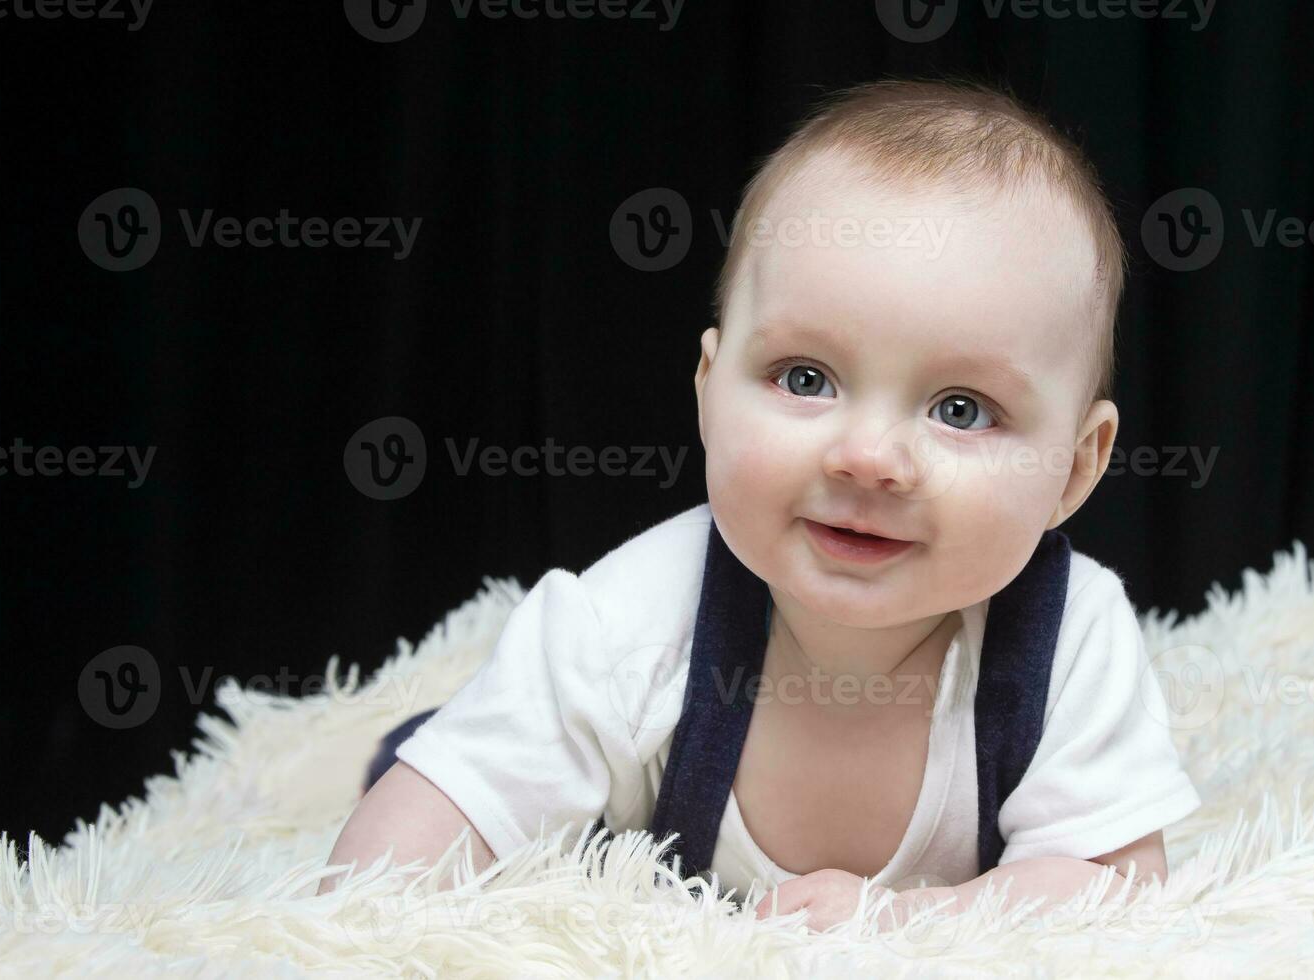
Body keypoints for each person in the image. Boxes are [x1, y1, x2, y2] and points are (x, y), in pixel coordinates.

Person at [319, 77, 1202, 932]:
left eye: (960, 409)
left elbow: (1113, 883)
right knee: (445, 766)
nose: (867, 458)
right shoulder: (629, 622)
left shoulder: (1068, 641)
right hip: (545, 770)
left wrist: (905, 920)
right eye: (806, 378)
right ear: (708, 388)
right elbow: (418, 840)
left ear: (1077, 469)